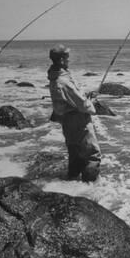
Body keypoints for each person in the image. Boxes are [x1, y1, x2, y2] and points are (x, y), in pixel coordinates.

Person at [47, 44, 101, 182]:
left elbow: (71, 98)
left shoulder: (55, 78)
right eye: (67, 58)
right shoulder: (63, 82)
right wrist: (91, 104)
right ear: (61, 61)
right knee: (92, 154)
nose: (69, 60)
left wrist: (85, 95)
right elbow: (83, 105)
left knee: (75, 153)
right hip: (78, 120)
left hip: (67, 121)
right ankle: (91, 188)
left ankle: (72, 182)